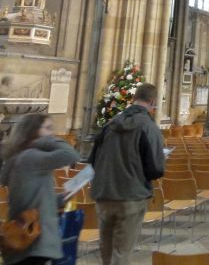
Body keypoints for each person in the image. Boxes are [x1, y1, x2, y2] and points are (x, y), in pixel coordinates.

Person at [89, 82, 165, 265]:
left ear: (133, 98)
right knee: (122, 252)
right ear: (153, 102)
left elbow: (92, 160)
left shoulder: (110, 124)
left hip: (104, 194)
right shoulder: (149, 127)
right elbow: (155, 169)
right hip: (131, 195)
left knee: (105, 248)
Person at [0, 113, 80, 265]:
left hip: (28, 237)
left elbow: (31, 198)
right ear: (33, 131)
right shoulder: (30, 157)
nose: (52, 133)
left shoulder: (21, 157)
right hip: (33, 238)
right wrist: (47, 140)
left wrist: (61, 198)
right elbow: (70, 154)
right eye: (48, 128)